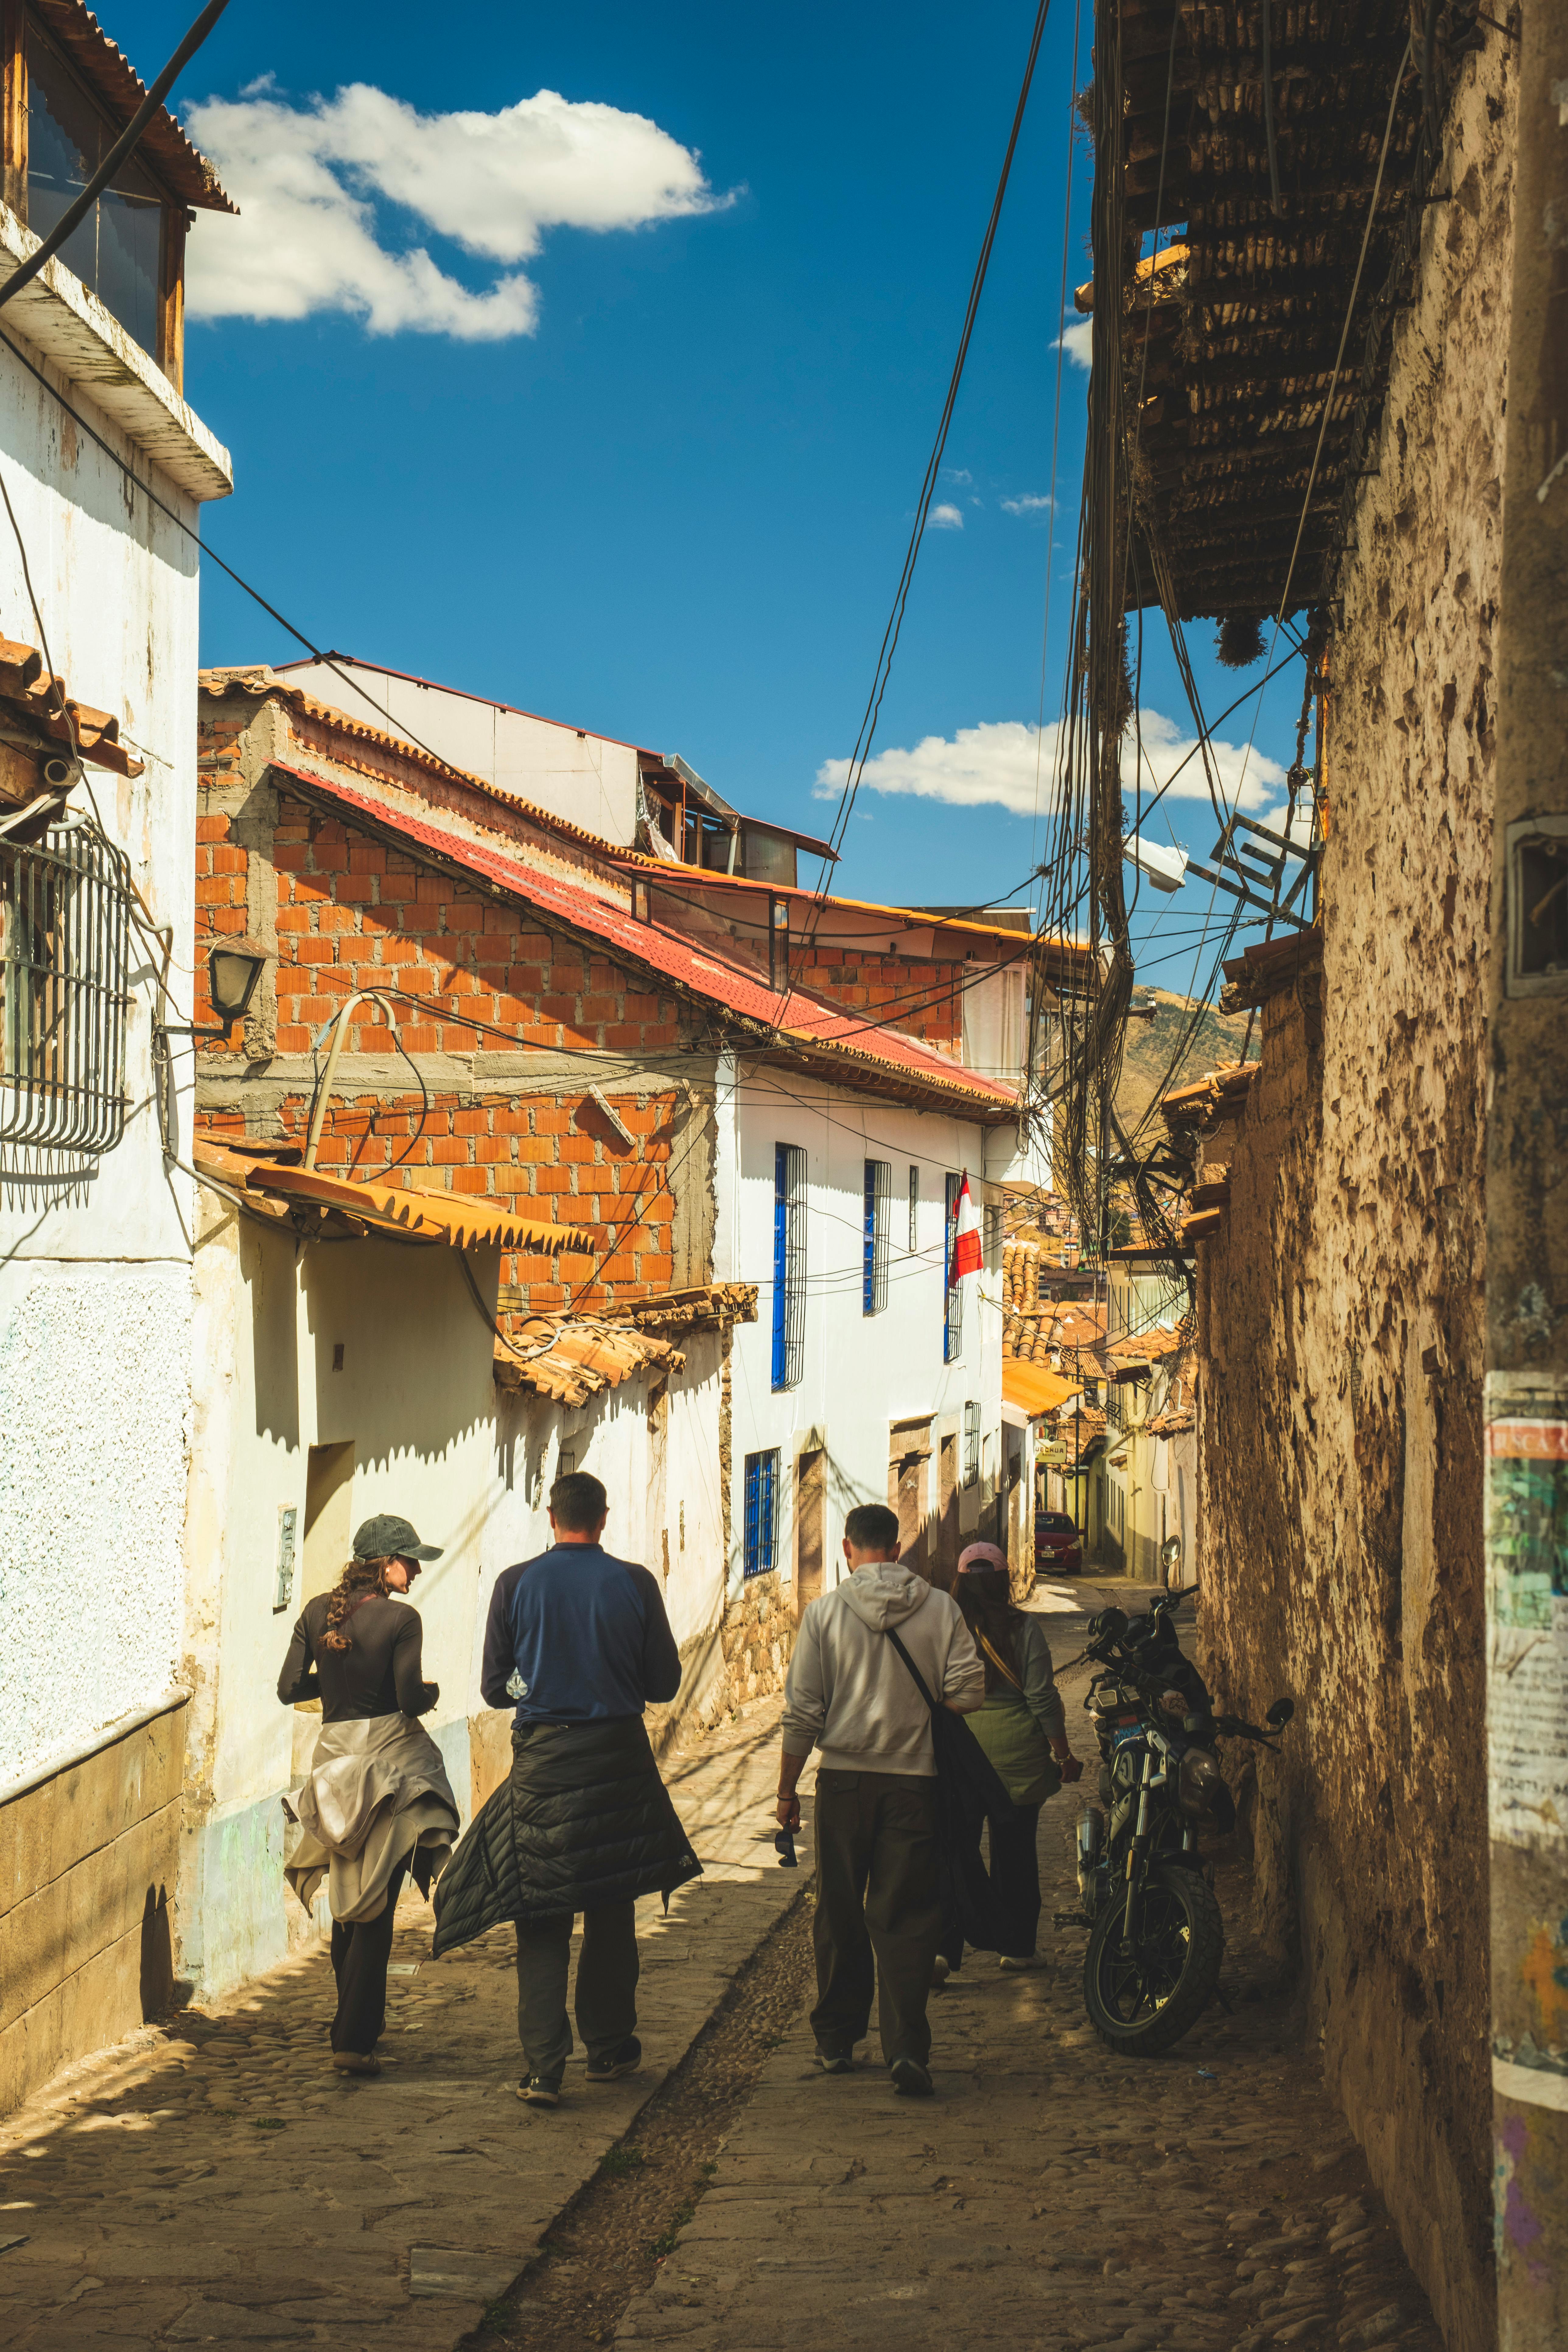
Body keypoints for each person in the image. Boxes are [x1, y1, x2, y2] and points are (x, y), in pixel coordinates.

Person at [432, 1471, 699, 2109]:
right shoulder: (634, 1583)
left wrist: (540, 1688)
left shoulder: (515, 1584)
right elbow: (661, 1684)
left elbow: (499, 1688)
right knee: (610, 1906)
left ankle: (543, 2069)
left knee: (541, 1914)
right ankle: (608, 2048)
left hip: (545, 1762)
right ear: (602, 1520)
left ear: (551, 1518)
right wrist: (612, 1675)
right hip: (616, 1760)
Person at [776, 1500, 985, 2098]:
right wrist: (925, 1718)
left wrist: (786, 1791)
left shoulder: (824, 1615)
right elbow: (969, 1689)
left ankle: (836, 2041)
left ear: (848, 1550)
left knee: (839, 1911)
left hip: (841, 1783)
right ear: (897, 1549)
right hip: (915, 1784)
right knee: (906, 1916)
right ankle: (905, 2049)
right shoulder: (939, 1608)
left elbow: (802, 1713)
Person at [276, 1512, 461, 2076]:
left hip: (333, 1763)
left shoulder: (314, 1612)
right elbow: (408, 1700)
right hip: (386, 1764)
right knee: (377, 1903)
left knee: (349, 1891)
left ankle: (353, 2029)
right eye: (410, 1561)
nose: (416, 1571)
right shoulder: (403, 1620)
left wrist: (331, 1685)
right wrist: (429, 1693)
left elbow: (289, 1689)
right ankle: (354, 2040)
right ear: (385, 1564)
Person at [934, 1541, 1083, 1985]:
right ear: (1003, 1580)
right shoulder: (1025, 1630)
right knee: (1015, 1853)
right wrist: (1063, 1754)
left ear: (959, 1581)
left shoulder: (944, 1629)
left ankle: (944, 1949)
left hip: (960, 1754)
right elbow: (1042, 1697)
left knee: (955, 1853)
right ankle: (1016, 1947)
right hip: (1018, 1760)